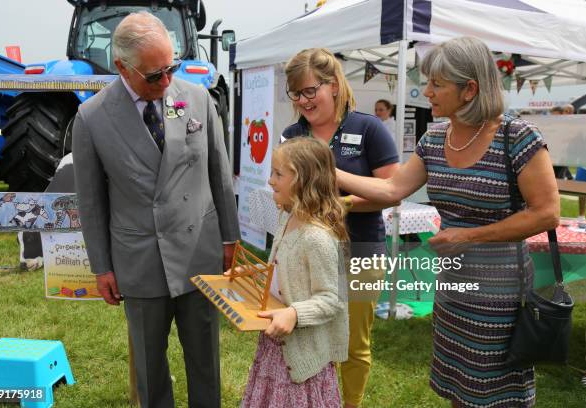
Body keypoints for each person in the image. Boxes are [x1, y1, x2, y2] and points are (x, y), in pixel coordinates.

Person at [336, 37, 559, 407]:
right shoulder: (435, 137)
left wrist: (470, 238)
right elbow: (393, 188)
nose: (427, 92)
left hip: (500, 298)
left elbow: (547, 212)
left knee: (498, 392)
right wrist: (332, 174)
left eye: (437, 84)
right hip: (454, 288)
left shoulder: (517, 137)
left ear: (470, 89)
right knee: (459, 387)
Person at [72, 12, 239, 408]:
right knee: (149, 366)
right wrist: (102, 267)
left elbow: (220, 171)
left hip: (199, 253)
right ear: (121, 68)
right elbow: (91, 202)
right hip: (140, 260)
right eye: (154, 75)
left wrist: (230, 237)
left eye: (171, 68)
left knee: (205, 361)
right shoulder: (92, 118)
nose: (166, 82)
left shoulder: (196, 97)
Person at [282, 48, 399, 408]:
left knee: (353, 343)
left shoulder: (369, 128)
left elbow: (390, 192)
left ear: (333, 85)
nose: (303, 101)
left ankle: (350, 403)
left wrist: (339, 194)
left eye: (309, 91)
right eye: (296, 94)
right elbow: (287, 195)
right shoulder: (293, 134)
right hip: (307, 251)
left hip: (361, 248)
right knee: (309, 334)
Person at [239, 137, 349, 407]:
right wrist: (256, 273)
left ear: (302, 180)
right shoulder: (287, 218)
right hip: (276, 345)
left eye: (278, 174)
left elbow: (330, 299)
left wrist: (294, 313)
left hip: (302, 355)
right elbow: (284, 269)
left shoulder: (318, 238)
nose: (270, 181)